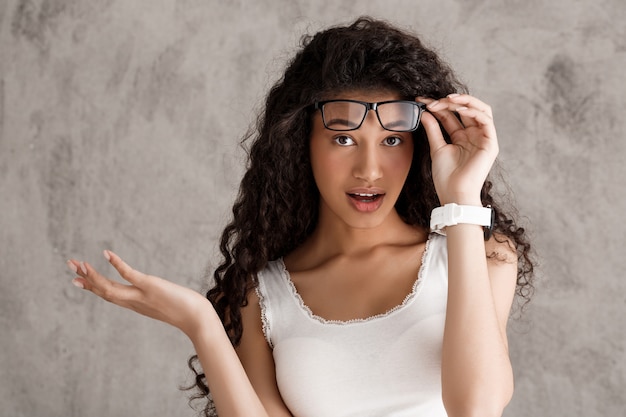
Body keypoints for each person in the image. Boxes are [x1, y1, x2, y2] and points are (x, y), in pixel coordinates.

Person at [67, 17, 534, 417]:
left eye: (392, 141)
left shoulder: (480, 252)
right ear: (300, 144)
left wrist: (462, 200)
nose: (369, 170)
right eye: (343, 139)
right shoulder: (261, 294)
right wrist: (201, 323)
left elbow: (476, 406)